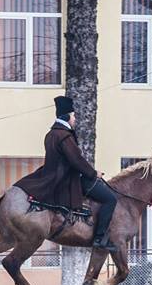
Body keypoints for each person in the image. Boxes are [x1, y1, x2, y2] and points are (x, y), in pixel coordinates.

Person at [13, 96, 118, 252]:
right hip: (69, 180)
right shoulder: (64, 136)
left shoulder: (51, 134)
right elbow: (76, 160)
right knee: (110, 199)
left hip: (54, 176)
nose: (75, 119)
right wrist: (93, 173)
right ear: (68, 116)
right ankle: (99, 238)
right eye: (74, 115)